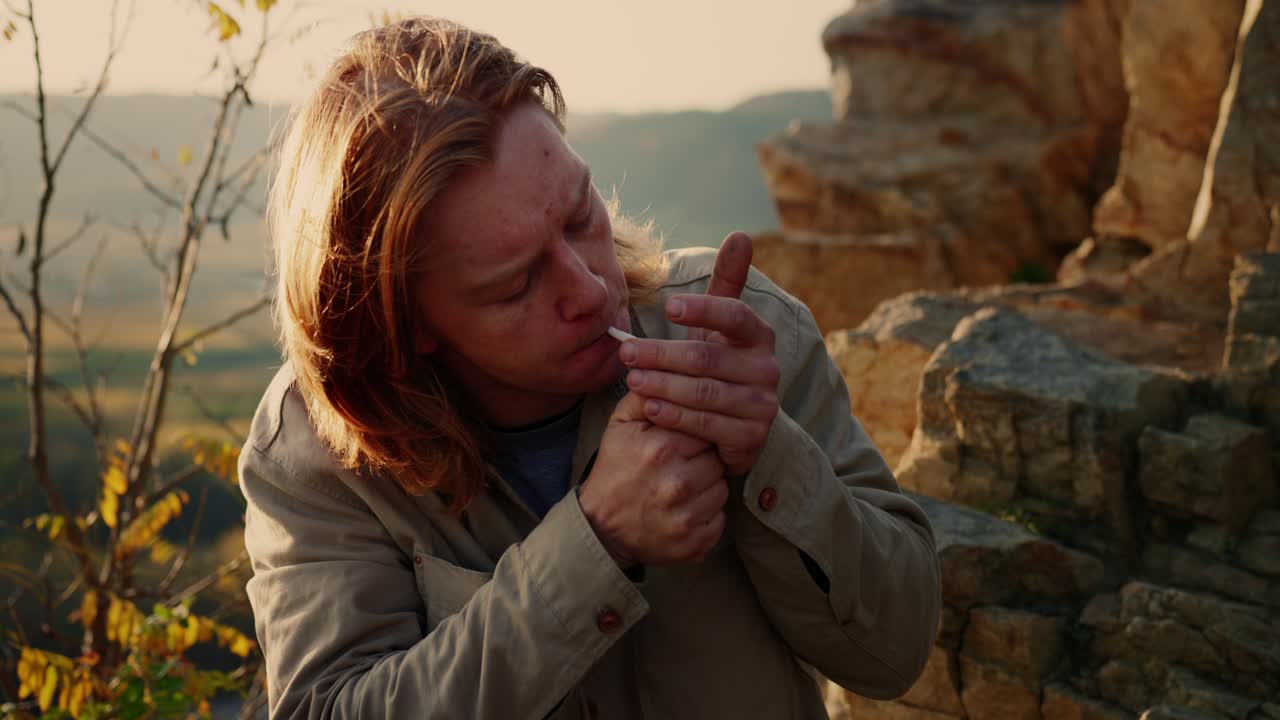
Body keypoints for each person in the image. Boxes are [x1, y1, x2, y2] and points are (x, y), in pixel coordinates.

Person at [241, 15, 940, 720]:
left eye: (581, 216)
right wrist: (595, 542)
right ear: (406, 324)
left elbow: (897, 650)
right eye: (515, 284)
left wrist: (769, 456)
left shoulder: (734, 334)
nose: (589, 289)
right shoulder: (314, 451)